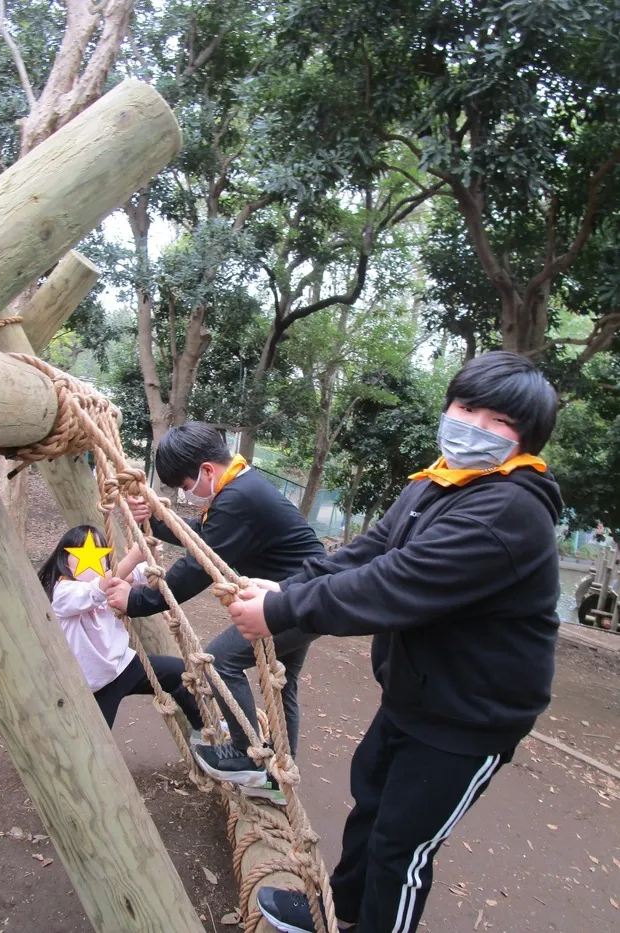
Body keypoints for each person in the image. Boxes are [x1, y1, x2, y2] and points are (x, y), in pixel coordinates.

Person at [226, 351, 561, 933]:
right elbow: (373, 550)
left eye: (498, 422)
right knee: (371, 809)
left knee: (401, 850)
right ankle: (336, 911)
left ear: (524, 441)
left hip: (470, 717)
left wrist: (281, 610)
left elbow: (396, 584)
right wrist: (290, 584)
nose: (474, 427)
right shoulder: (440, 484)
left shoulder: (507, 509)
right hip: (417, 692)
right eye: (466, 407)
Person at [104, 422, 326, 804]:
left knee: (220, 660)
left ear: (207, 470)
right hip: (305, 599)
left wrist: (138, 601)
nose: (186, 495)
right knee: (282, 684)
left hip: (292, 603)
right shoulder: (240, 487)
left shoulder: (238, 498)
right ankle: (276, 780)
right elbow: (204, 537)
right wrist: (156, 520)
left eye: (185, 484)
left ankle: (246, 758)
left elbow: (196, 567)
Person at [38, 525, 203, 735]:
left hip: (124, 666)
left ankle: (203, 732)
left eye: (99, 553)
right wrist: (133, 557)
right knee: (95, 741)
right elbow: (96, 589)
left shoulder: (111, 580)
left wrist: (150, 551)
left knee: (181, 673)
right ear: (63, 559)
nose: (91, 561)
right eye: (81, 554)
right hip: (93, 683)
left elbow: (143, 574)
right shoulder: (63, 592)